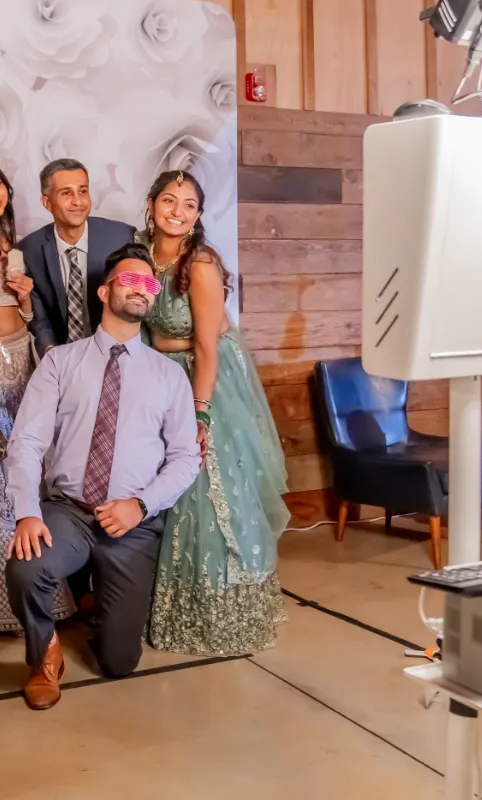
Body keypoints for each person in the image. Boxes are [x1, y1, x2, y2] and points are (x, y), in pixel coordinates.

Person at [2, 243, 202, 709]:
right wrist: (28, 513)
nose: (141, 289)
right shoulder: (60, 362)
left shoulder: (168, 376)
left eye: (149, 284)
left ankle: (95, 598)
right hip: (68, 510)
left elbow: (185, 459)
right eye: (129, 280)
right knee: (26, 566)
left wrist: (141, 505)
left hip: (131, 522)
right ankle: (44, 654)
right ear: (104, 290)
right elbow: (27, 442)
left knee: (118, 663)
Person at [141, 170, 289, 657]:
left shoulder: (200, 265)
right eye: (169, 200)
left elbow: (206, 346)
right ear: (151, 204)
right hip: (157, 376)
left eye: (188, 205)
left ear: (199, 216)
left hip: (201, 379)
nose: (177, 211)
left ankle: (220, 609)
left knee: (207, 489)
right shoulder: (140, 256)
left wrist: (200, 415)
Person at [0, 157, 75, 632]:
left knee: (30, 459)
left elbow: (25, 314)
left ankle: (42, 586)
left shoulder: (12, 242)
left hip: (23, 355)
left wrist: (25, 299)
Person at [18, 159, 136, 356]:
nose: (78, 201)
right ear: (47, 203)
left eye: (83, 191)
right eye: (66, 193)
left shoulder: (121, 238)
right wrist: (52, 353)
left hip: (118, 351)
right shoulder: (29, 250)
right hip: (63, 355)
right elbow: (40, 319)